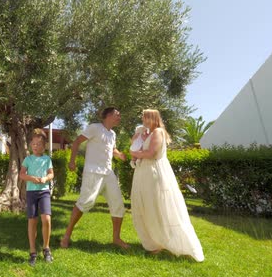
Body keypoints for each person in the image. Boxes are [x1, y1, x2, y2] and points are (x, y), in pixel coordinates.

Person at [130, 109, 204, 262]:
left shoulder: (158, 132)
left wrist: (136, 153)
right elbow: (134, 145)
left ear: (152, 118)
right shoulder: (146, 132)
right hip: (143, 172)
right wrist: (139, 138)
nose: (142, 119)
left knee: (157, 206)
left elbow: (151, 153)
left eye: (145, 117)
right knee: (146, 206)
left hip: (153, 172)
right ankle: (154, 243)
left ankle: (172, 242)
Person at [60, 107, 129, 249]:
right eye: (117, 114)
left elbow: (112, 149)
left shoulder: (113, 134)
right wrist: (72, 161)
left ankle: (116, 238)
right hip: (93, 172)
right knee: (86, 202)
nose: (119, 117)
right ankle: (66, 235)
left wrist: (120, 155)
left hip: (108, 173)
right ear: (108, 115)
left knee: (118, 205)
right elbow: (77, 142)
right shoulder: (94, 128)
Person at [19, 129, 55, 266]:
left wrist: (46, 178)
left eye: (39, 144)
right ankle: (33, 252)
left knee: (46, 218)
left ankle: (46, 249)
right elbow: (22, 175)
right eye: (33, 144)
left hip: (44, 192)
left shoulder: (47, 159)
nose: (36, 146)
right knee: (32, 221)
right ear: (30, 145)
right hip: (31, 193)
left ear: (44, 146)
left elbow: (51, 174)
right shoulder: (28, 159)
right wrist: (31, 178)